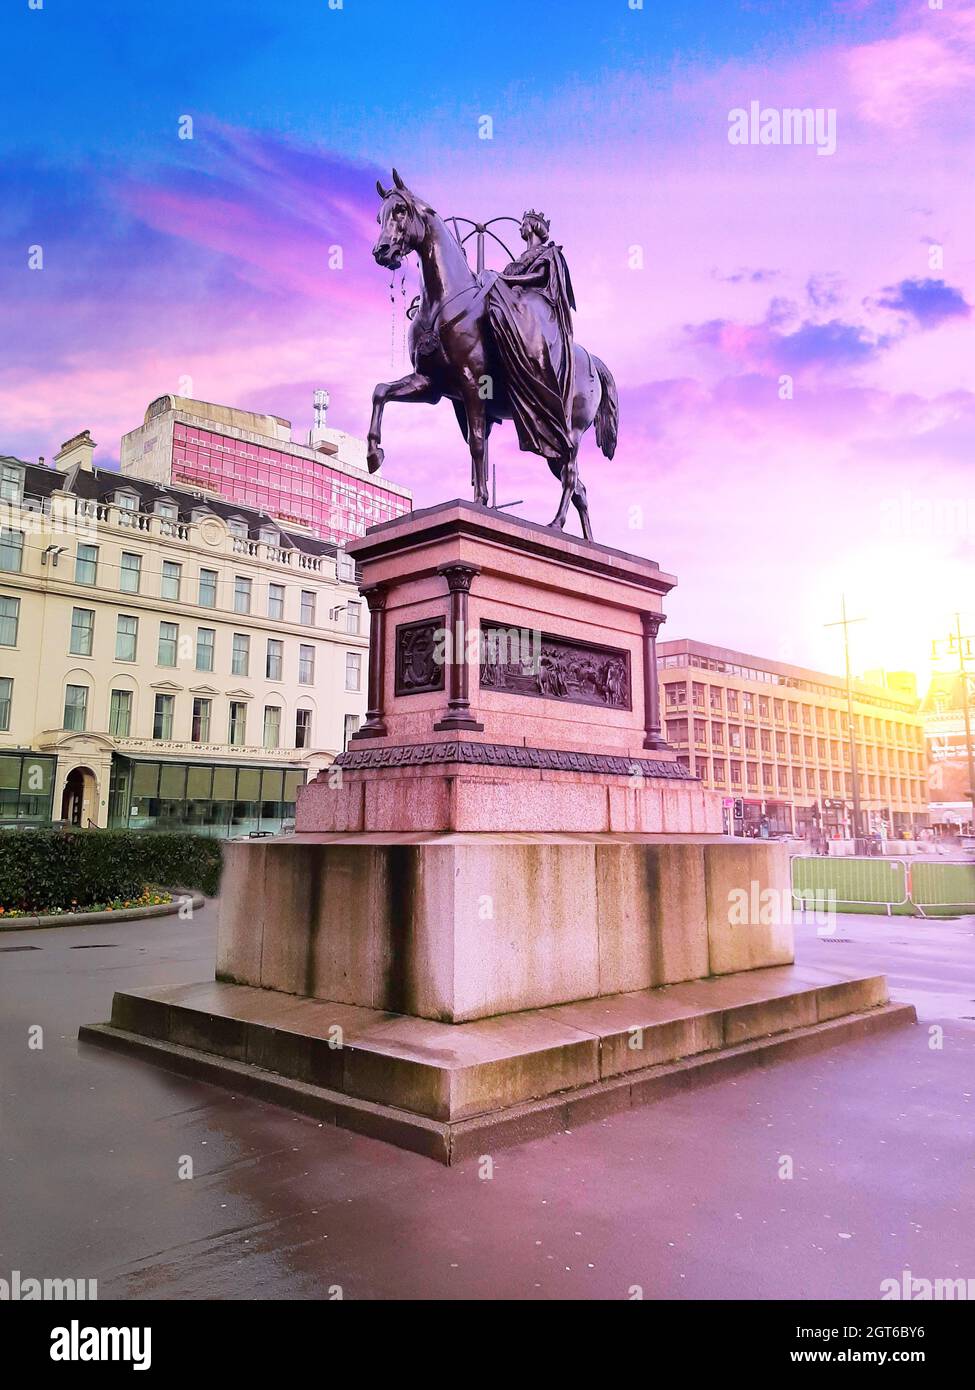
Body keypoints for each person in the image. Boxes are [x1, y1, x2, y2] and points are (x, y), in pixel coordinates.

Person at [484, 210, 576, 461]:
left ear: (534, 226)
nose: (520, 227)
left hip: (536, 302)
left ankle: (530, 359)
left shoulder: (550, 253)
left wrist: (505, 278)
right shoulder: (520, 257)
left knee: (510, 305)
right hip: (517, 299)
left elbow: (541, 277)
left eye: (524, 223)